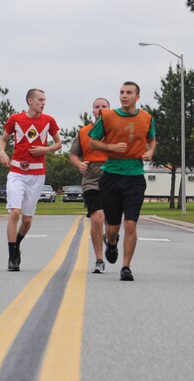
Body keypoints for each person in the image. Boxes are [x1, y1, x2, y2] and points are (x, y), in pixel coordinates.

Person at [88, 82, 156, 281]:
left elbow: (152, 139)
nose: (124, 96)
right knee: (112, 227)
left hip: (135, 176)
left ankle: (126, 267)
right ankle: (111, 242)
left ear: (137, 96)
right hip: (112, 175)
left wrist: (151, 151)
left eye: (129, 93)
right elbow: (93, 141)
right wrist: (110, 148)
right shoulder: (108, 116)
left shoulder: (147, 117)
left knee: (131, 223)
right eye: (122, 92)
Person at [0, 89, 62, 271]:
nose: (43, 103)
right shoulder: (16, 119)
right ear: (30, 101)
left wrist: (46, 150)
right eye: (40, 100)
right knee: (14, 213)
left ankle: (17, 243)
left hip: (37, 175)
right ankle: (12, 257)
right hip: (17, 172)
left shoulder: (48, 121)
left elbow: (59, 143)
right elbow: (2, 140)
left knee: (27, 220)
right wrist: (2, 153)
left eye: (45, 100)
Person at [69, 97, 111, 274]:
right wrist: (79, 164)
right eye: (96, 107)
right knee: (97, 217)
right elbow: (73, 154)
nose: (100, 109)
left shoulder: (115, 131)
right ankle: (99, 259)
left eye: (104, 106)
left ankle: (110, 240)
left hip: (112, 176)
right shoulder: (84, 132)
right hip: (91, 179)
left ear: (109, 110)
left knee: (112, 222)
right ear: (92, 111)